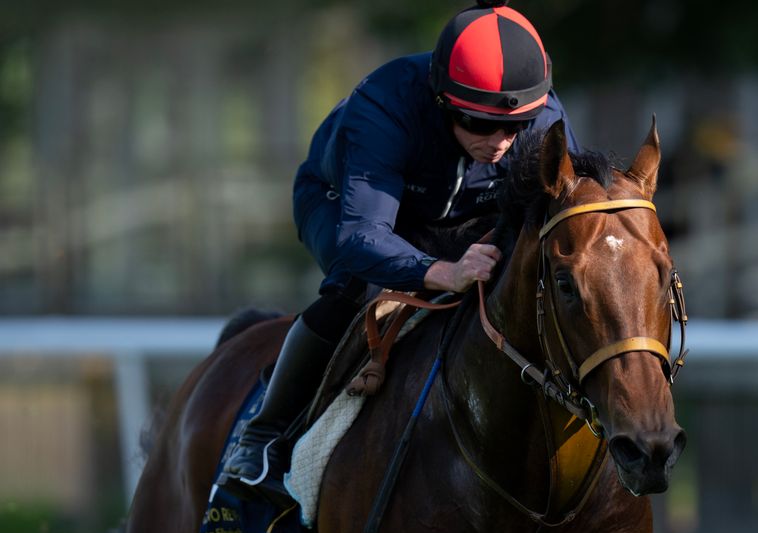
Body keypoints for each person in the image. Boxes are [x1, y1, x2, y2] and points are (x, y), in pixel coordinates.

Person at [216, 0, 580, 503]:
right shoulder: (384, 107)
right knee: (353, 286)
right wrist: (443, 271)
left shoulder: (541, 121)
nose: (500, 143)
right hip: (346, 207)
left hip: (464, 215)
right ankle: (262, 435)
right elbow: (362, 238)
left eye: (515, 127)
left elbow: (566, 219)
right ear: (443, 101)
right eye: (479, 124)